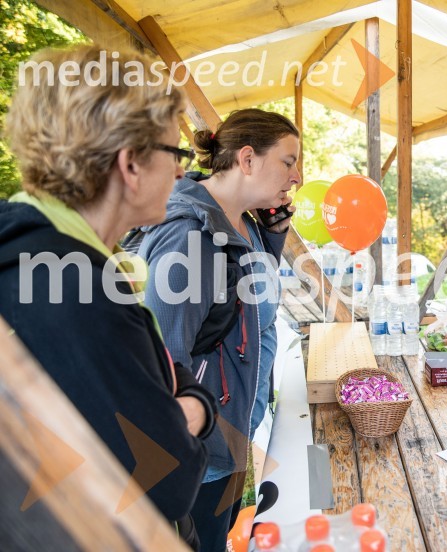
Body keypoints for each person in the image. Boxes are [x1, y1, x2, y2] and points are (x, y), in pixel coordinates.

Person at [0, 45, 216, 545]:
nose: (182, 171)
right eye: (174, 152)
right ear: (131, 164)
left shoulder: (38, 254)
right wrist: (191, 410)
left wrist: (182, 404)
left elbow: (160, 373)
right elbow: (169, 476)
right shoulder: (74, 287)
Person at [138, 108, 299, 551]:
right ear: (247, 159)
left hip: (233, 430)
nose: (297, 176)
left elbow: (254, 309)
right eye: (288, 161)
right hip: (198, 453)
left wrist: (274, 238)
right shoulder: (188, 238)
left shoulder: (245, 221)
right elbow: (164, 361)